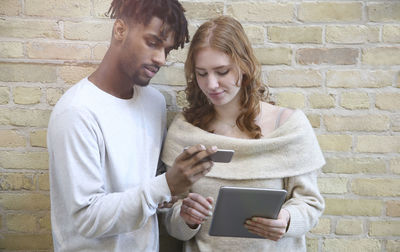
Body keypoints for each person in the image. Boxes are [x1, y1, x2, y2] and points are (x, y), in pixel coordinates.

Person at [47, 1, 218, 251]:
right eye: (152, 42)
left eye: (167, 50)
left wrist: (177, 205)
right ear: (120, 30)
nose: (160, 59)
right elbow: (86, 219)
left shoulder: (154, 103)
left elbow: (149, 194)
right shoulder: (76, 112)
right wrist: (166, 185)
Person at [161, 16, 325, 251]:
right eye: (202, 73)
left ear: (244, 66)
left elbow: (311, 203)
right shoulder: (185, 131)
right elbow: (171, 218)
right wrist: (186, 218)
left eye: (222, 71)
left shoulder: (288, 126)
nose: (212, 84)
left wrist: (287, 219)